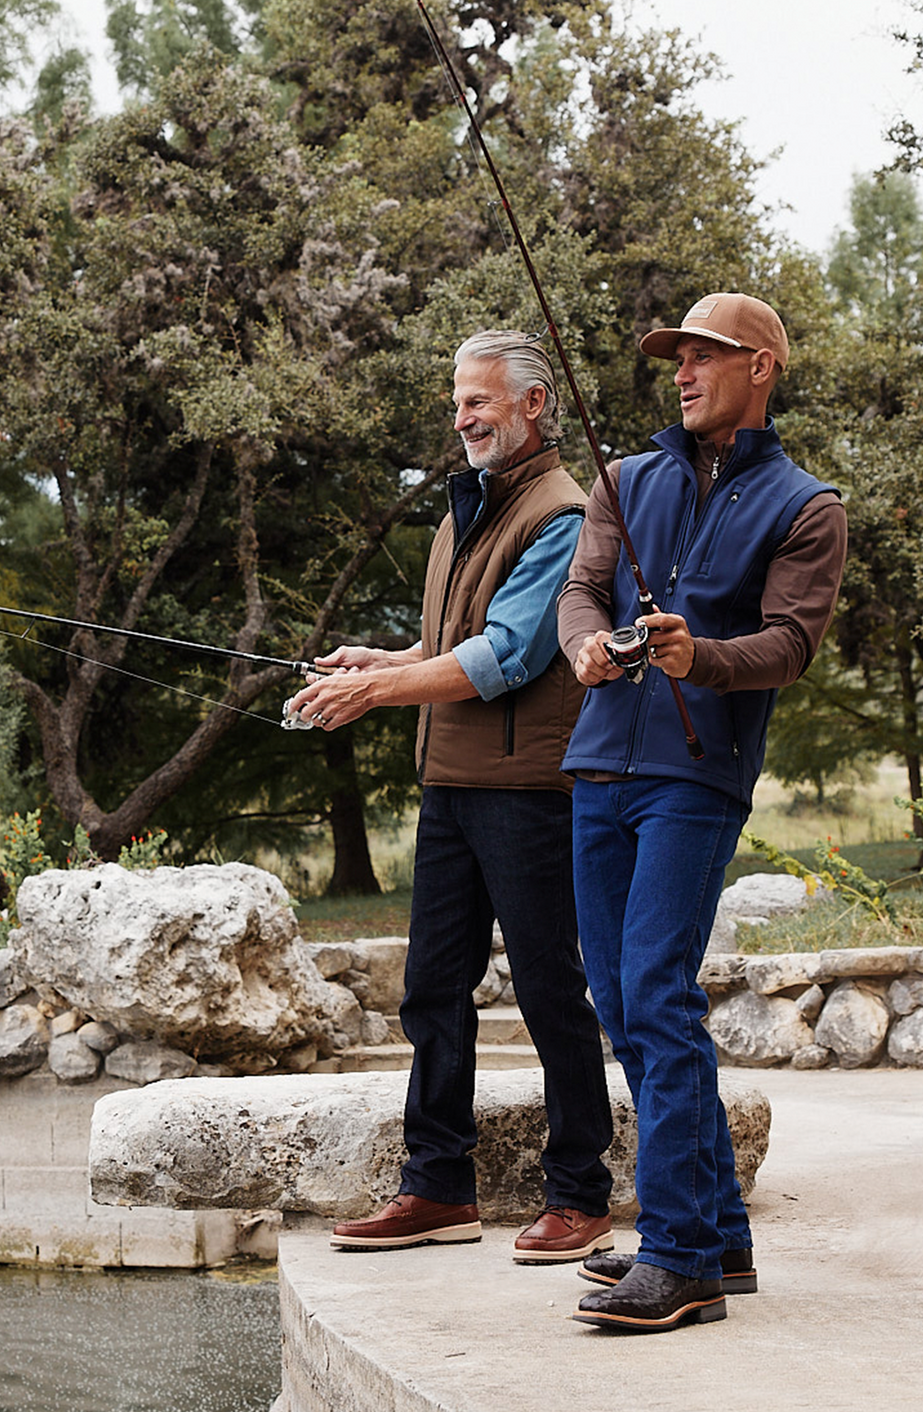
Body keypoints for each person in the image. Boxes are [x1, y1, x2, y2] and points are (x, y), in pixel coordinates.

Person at [286, 330, 614, 1263]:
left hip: (529, 795)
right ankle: (437, 1187)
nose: (463, 418)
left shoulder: (562, 515)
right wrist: (379, 660)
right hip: (453, 788)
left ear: (533, 405)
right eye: (457, 403)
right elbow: (453, 640)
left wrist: (375, 693)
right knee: (432, 990)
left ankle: (580, 1194)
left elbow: (507, 654)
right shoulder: (460, 514)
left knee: (552, 992)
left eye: (479, 401)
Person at [558, 293, 847, 1332]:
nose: (681, 370)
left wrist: (701, 655)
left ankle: (680, 1257)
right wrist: (585, 643)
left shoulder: (808, 505)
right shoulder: (623, 480)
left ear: (760, 366)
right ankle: (721, 1231)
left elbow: (790, 645)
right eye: (674, 357)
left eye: (705, 355)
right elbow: (583, 591)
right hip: (598, 766)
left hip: (695, 773)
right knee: (622, 998)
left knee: (655, 989)